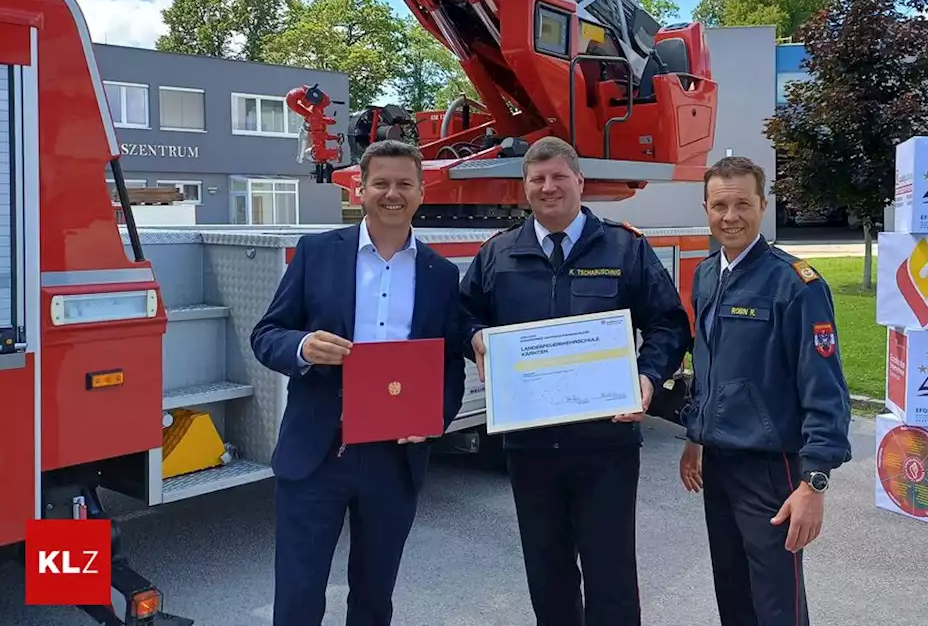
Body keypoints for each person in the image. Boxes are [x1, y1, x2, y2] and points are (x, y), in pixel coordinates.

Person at [459, 135, 691, 626]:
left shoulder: (625, 247)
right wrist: (476, 337)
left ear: (580, 181)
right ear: (524, 188)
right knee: (548, 572)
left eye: (559, 176)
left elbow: (669, 323)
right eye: (537, 179)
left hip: (605, 443)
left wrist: (649, 376)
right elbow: (462, 315)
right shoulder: (499, 254)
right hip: (530, 446)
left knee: (612, 575)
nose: (548, 187)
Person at [249, 139, 467, 626]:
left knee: (374, 596)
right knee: (299, 595)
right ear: (360, 189)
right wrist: (303, 346)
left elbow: (450, 363)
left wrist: (434, 417)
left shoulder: (440, 274)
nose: (393, 193)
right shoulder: (316, 253)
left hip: (394, 458)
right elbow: (266, 335)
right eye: (381, 183)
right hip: (318, 453)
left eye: (404, 184)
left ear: (421, 192)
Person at [678, 155, 852, 626]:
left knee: (777, 604)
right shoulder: (707, 275)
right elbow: (708, 365)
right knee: (732, 594)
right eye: (719, 205)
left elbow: (826, 389)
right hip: (718, 462)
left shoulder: (796, 284)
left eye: (741, 204)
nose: (729, 216)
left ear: (763, 205)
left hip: (770, 469)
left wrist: (813, 482)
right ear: (706, 208)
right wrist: (695, 437)